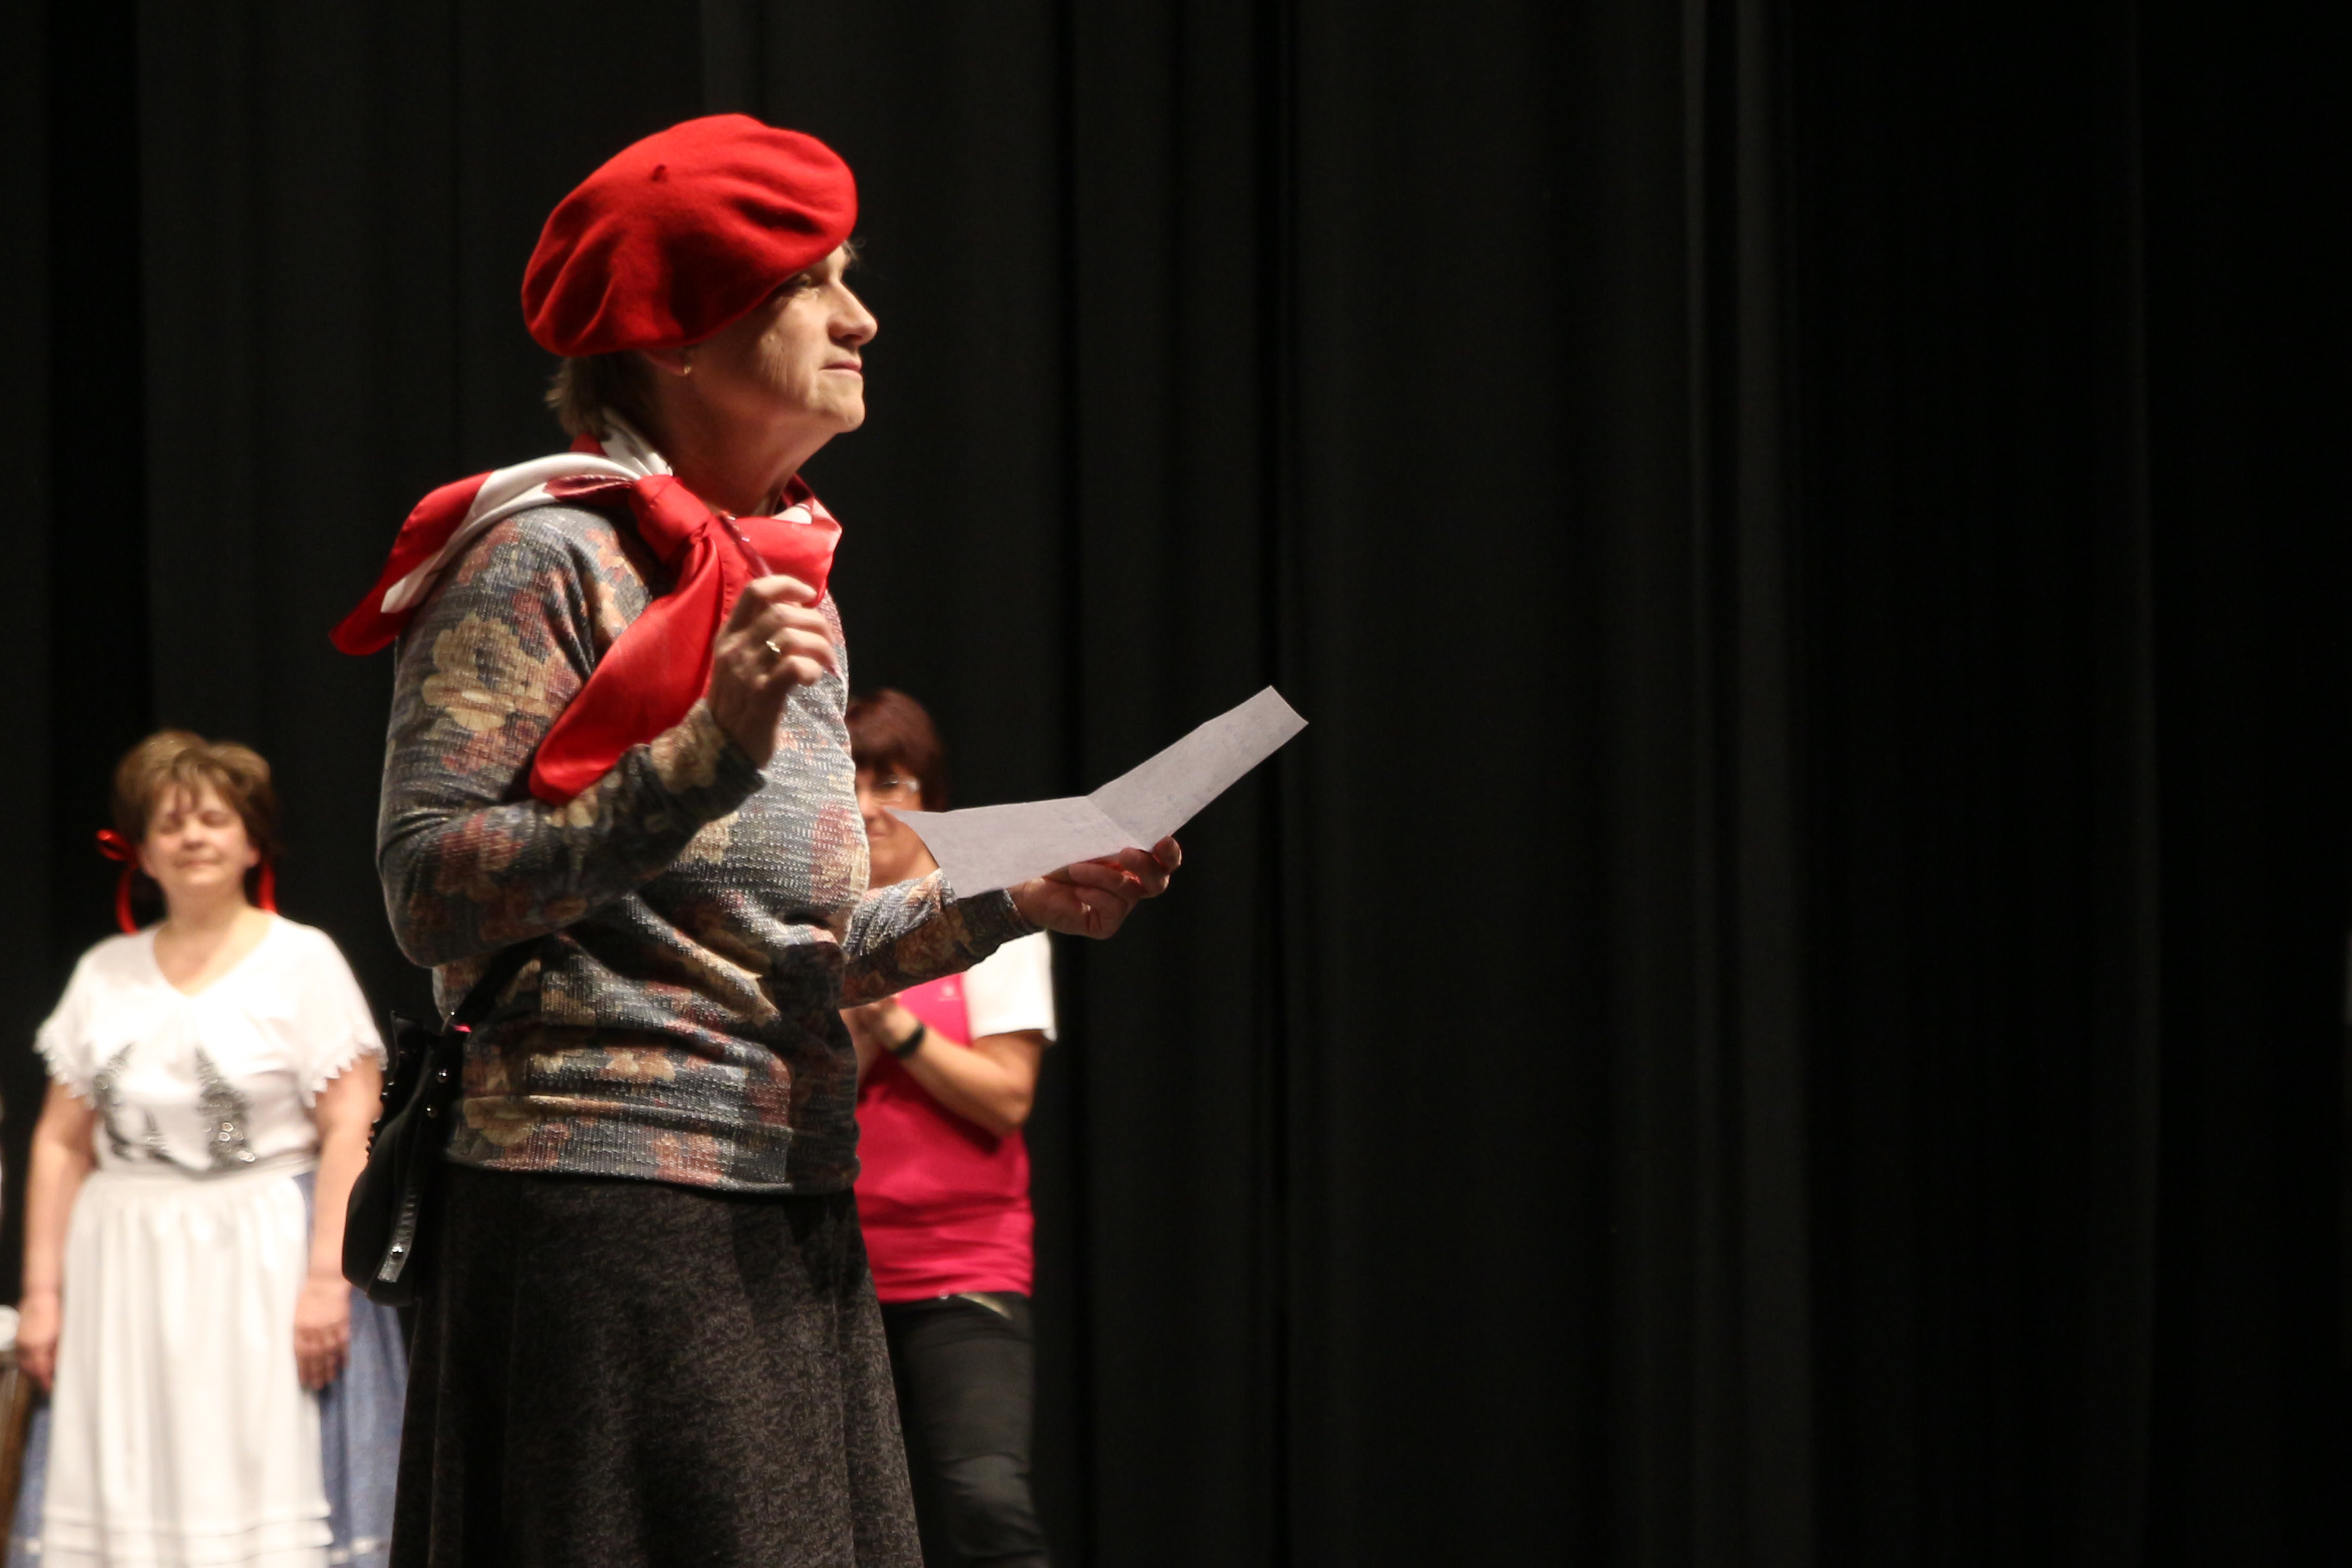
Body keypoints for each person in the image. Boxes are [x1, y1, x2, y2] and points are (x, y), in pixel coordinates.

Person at [334, 115, 1178, 1568]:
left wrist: (1012, 898)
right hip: (603, 1208)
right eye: (812, 285)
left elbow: (800, 951)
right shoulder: (543, 557)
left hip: (787, 1203)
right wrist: (701, 755)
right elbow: (430, 894)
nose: (862, 319)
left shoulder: (787, 571)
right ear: (678, 334)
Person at [8, 731, 405, 1568]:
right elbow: (59, 1142)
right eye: (171, 823)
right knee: (132, 1473)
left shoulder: (303, 961)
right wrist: (43, 1295)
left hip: (263, 1254)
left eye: (215, 820)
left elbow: (352, 1125)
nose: (193, 838)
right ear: (143, 852)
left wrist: (327, 1281)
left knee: (258, 1475)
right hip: (125, 1262)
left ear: (253, 842)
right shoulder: (104, 973)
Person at [843, 690, 1058, 1568]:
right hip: (832, 1272)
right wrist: (858, 1013)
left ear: (932, 799)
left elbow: (1007, 1099)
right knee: (833, 1515)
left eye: (890, 783)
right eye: (848, 783)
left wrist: (897, 1025)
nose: (868, 808)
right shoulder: (810, 926)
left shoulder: (988, 916)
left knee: (986, 1499)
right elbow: (802, 1095)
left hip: (961, 1269)